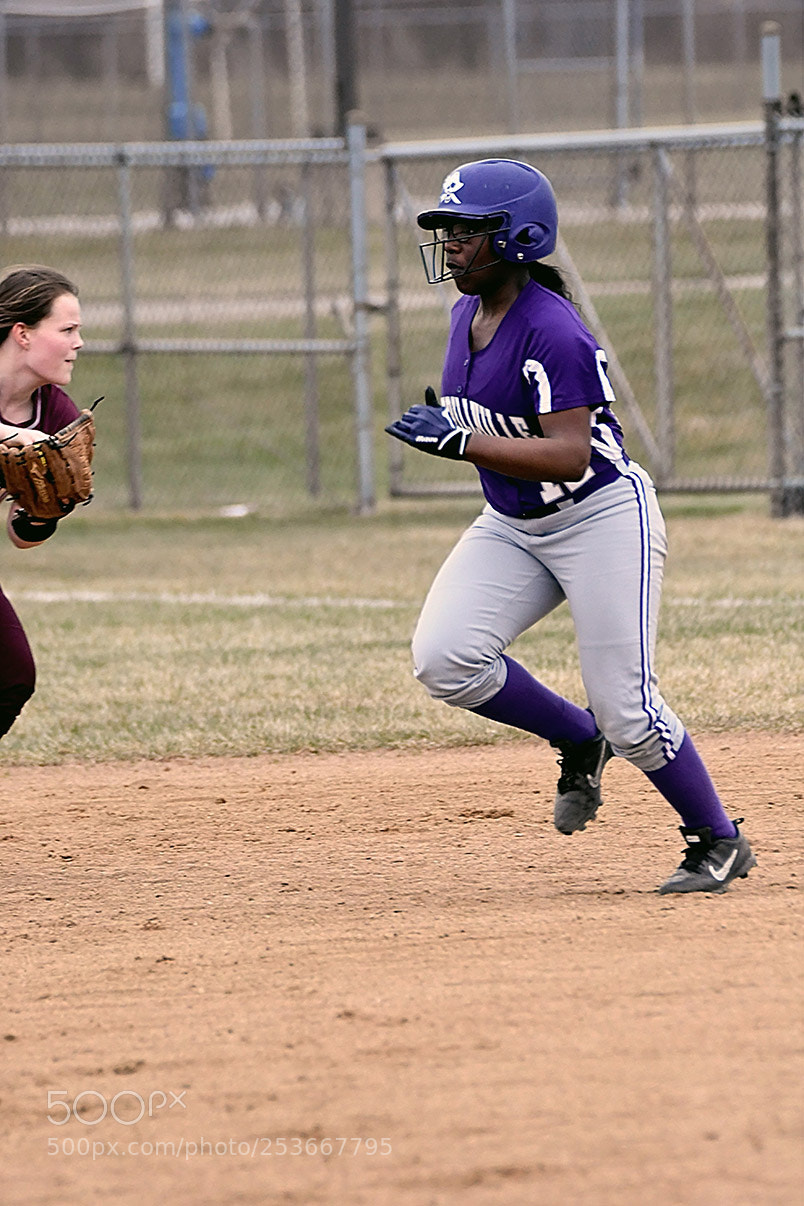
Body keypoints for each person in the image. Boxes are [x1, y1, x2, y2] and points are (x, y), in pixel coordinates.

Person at [386, 159, 756, 894]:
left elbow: (568, 452)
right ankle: (575, 736)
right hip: (514, 521)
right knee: (445, 657)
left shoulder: (551, 328)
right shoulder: (466, 315)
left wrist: (460, 441)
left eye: (469, 231)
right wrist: (460, 428)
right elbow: (504, 436)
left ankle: (718, 839)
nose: (452, 244)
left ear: (519, 238)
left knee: (630, 709)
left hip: (600, 518)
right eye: (448, 230)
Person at [0, 265, 85, 744]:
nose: (79, 343)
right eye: (67, 329)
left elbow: (20, 536)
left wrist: (43, 512)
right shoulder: (35, 431)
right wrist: (18, 437)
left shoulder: (57, 415)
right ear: (23, 334)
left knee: (12, 677)